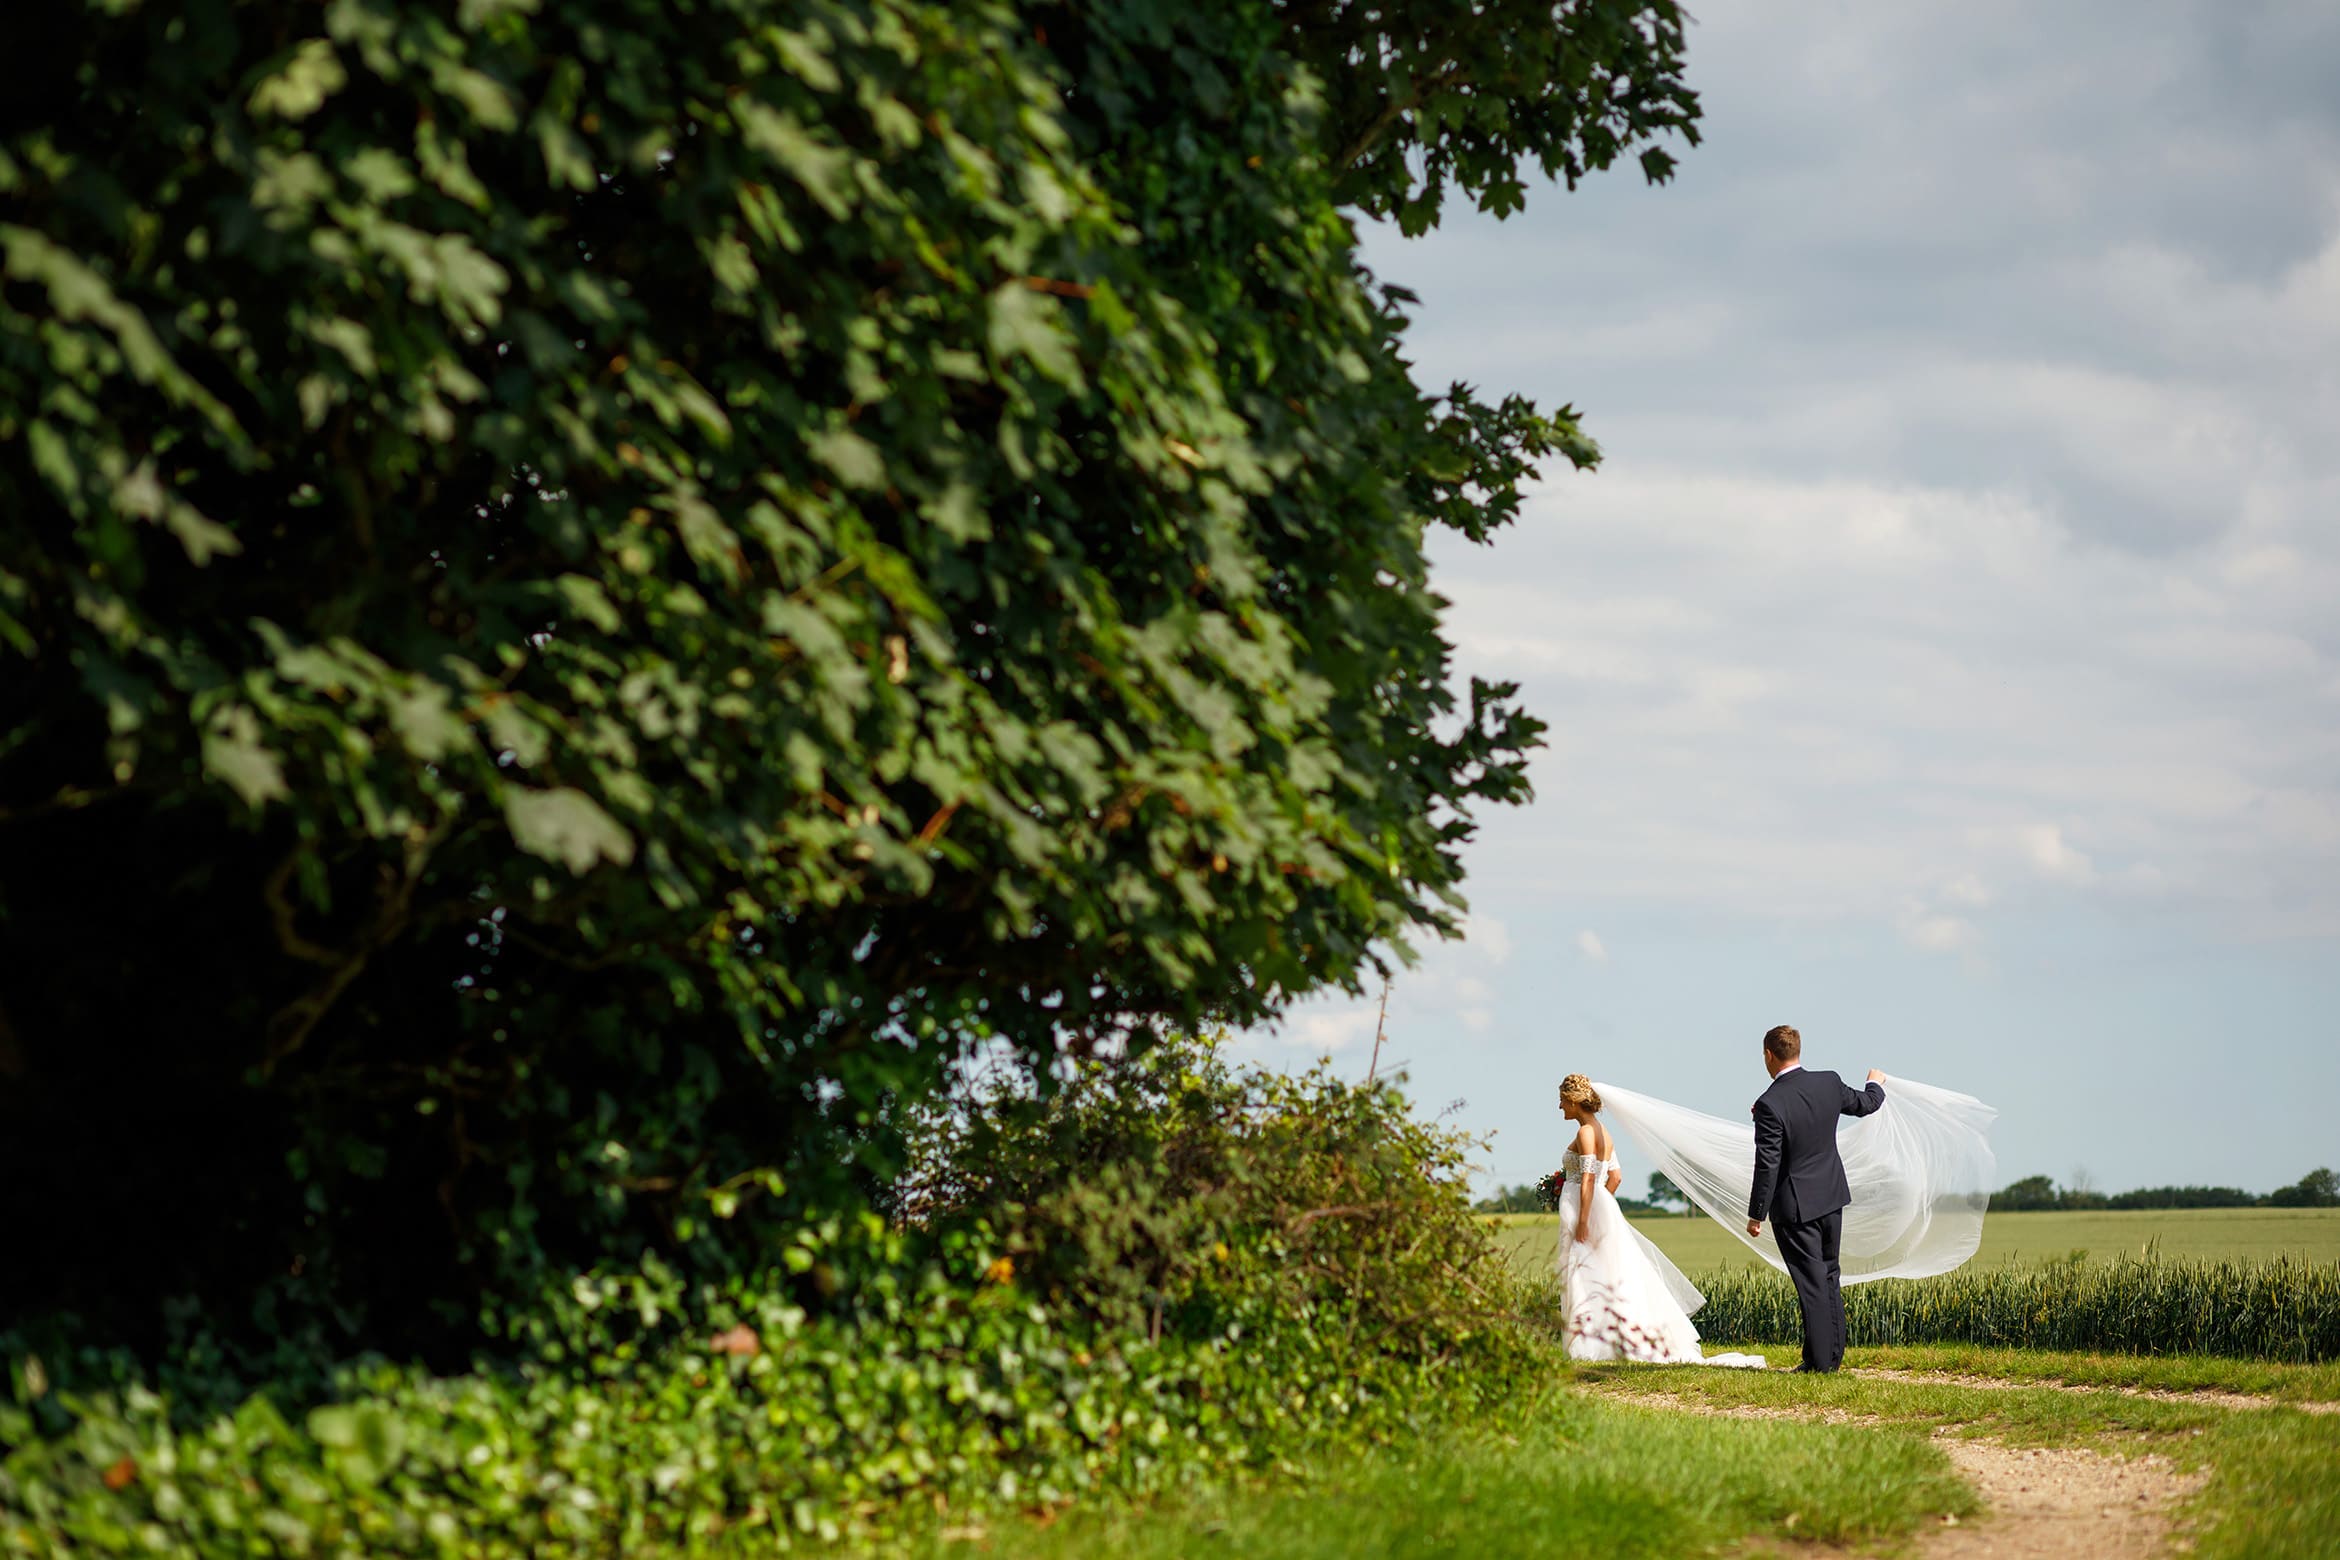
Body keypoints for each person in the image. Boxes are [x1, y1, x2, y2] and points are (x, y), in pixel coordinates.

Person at [1555, 1074, 1765, 1367]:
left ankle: (1589, 1346)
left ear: (1575, 1100)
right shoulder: (1604, 1132)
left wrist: (1584, 1218)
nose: (1560, 1105)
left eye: (1562, 1099)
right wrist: (1604, 1206)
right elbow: (1615, 1177)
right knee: (1606, 1273)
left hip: (1587, 1213)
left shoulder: (1586, 1133)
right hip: (1598, 1209)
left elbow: (1589, 1178)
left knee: (1587, 1273)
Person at [1742, 1025, 1885, 1373]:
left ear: (1768, 1055)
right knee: (1828, 1277)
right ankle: (1828, 1357)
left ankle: (1821, 1364)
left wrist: (1756, 1214)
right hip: (1831, 1199)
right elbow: (1866, 1104)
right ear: (1797, 1050)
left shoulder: (1770, 1103)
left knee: (1811, 1285)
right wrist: (1875, 1083)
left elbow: (1768, 1165)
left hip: (1794, 1209)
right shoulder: (1828, 1082)